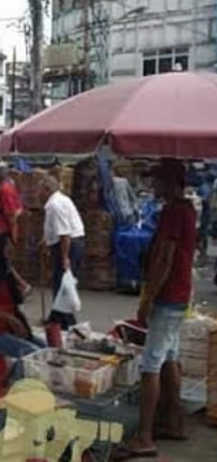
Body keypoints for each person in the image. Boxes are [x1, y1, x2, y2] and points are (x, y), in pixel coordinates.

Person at [113, 160, 195, 461]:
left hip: (168, 295)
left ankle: (145, 436)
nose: (154, 186)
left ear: (169, 181)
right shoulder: (184, 209)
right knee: (170, 357)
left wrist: (147, 297)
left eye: (158, 180)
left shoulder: (175, 212)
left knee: (151, 363)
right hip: (178, 293)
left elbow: (165, 257)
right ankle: (174, 421)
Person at [0, 233, 43, 384]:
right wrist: (10, 319)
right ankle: (13, 387)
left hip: (5, 328)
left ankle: (17, 380)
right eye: (6, 246)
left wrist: (19, 281)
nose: (10, 249)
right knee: (31, 353)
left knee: (44, 348)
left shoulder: (4, 269)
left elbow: (17, 298)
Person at [39, 175, 85, 330]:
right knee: (59, 282)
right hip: (68, 243)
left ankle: (67, 322)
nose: (39, 194)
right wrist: (47, 240)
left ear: (46, 190)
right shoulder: (60, 200)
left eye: (41, 190)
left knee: (62, 285)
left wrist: (65, 257)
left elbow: (64, 233)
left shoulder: (55, 205)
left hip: (68, 245)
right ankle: (56, 318)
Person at [0, 164, 24, 244]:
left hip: (3, 229)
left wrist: (13, 236)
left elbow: (11, 214)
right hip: (2, 228)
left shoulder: (5, 190)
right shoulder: (4, 188)